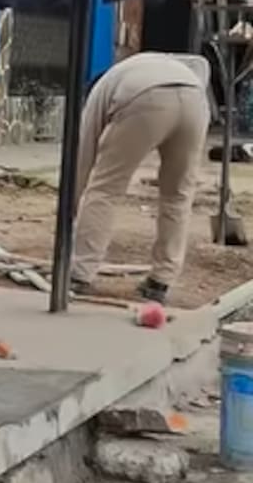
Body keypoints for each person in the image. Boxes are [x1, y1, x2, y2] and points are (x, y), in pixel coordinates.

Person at [70, 52, 212, 304]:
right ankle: (161, 281)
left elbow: (84, 155)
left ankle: (80, 275)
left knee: (104, 189)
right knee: (177, 195)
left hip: (144, 97)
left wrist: (72, 203)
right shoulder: (133, 67)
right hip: (195, 97)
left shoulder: (99, 93)